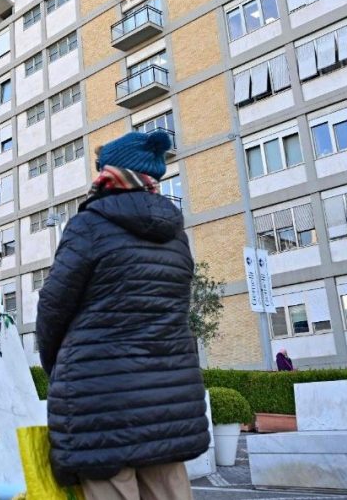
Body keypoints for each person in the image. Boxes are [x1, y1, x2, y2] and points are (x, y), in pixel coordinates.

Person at [37, 130, 209, 500]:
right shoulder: (176, 236)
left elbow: (53, 307)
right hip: (167, 400)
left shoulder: (89, 226)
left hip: (100, 400)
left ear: (109, 176)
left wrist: (59, 368)